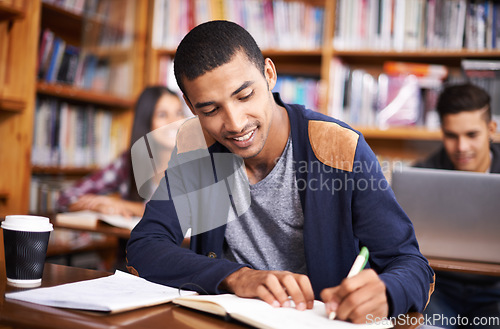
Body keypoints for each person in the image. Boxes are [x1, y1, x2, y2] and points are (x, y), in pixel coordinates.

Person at [126, 20, 434, 323]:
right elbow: (146, 245)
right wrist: (236, 277)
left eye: (244, 96)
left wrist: (388, 292)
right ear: (192, 108)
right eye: (210, 110)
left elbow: (410, 263)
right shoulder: (195, 150)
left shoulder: (340, 146)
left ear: (269, 75)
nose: (234, 123)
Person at [415, 83, 500, 329]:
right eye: (452, 136)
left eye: (471, 135)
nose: (461, 147)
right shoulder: (422, 174)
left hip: (495, 291)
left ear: (491, 129)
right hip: (439, 289)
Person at [57, 86, 185, 216]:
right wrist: (98, 205)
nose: (174, 122)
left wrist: (121, 204)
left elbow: (177, 212)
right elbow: (67, 197)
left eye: (179, 113)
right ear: (146, 122)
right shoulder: (128, 162)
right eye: (162, 115)